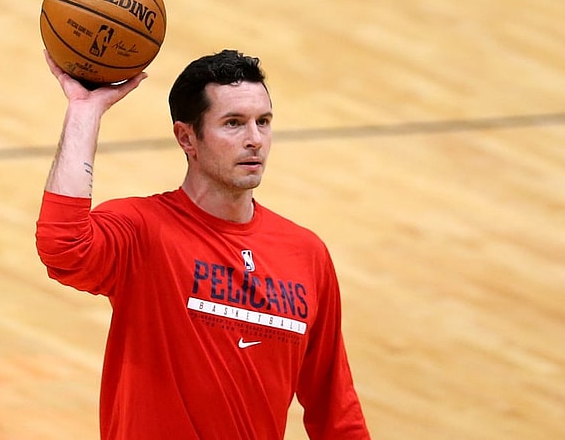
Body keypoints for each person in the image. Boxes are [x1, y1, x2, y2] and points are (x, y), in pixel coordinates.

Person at [35, 49, 371, 439]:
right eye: (233, 123)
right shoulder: (143, 231)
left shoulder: (306, 254)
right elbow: (62, 245)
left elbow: (335, 410)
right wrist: (84, 111)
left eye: (263, 122)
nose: (255, 140)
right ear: (187, 138)